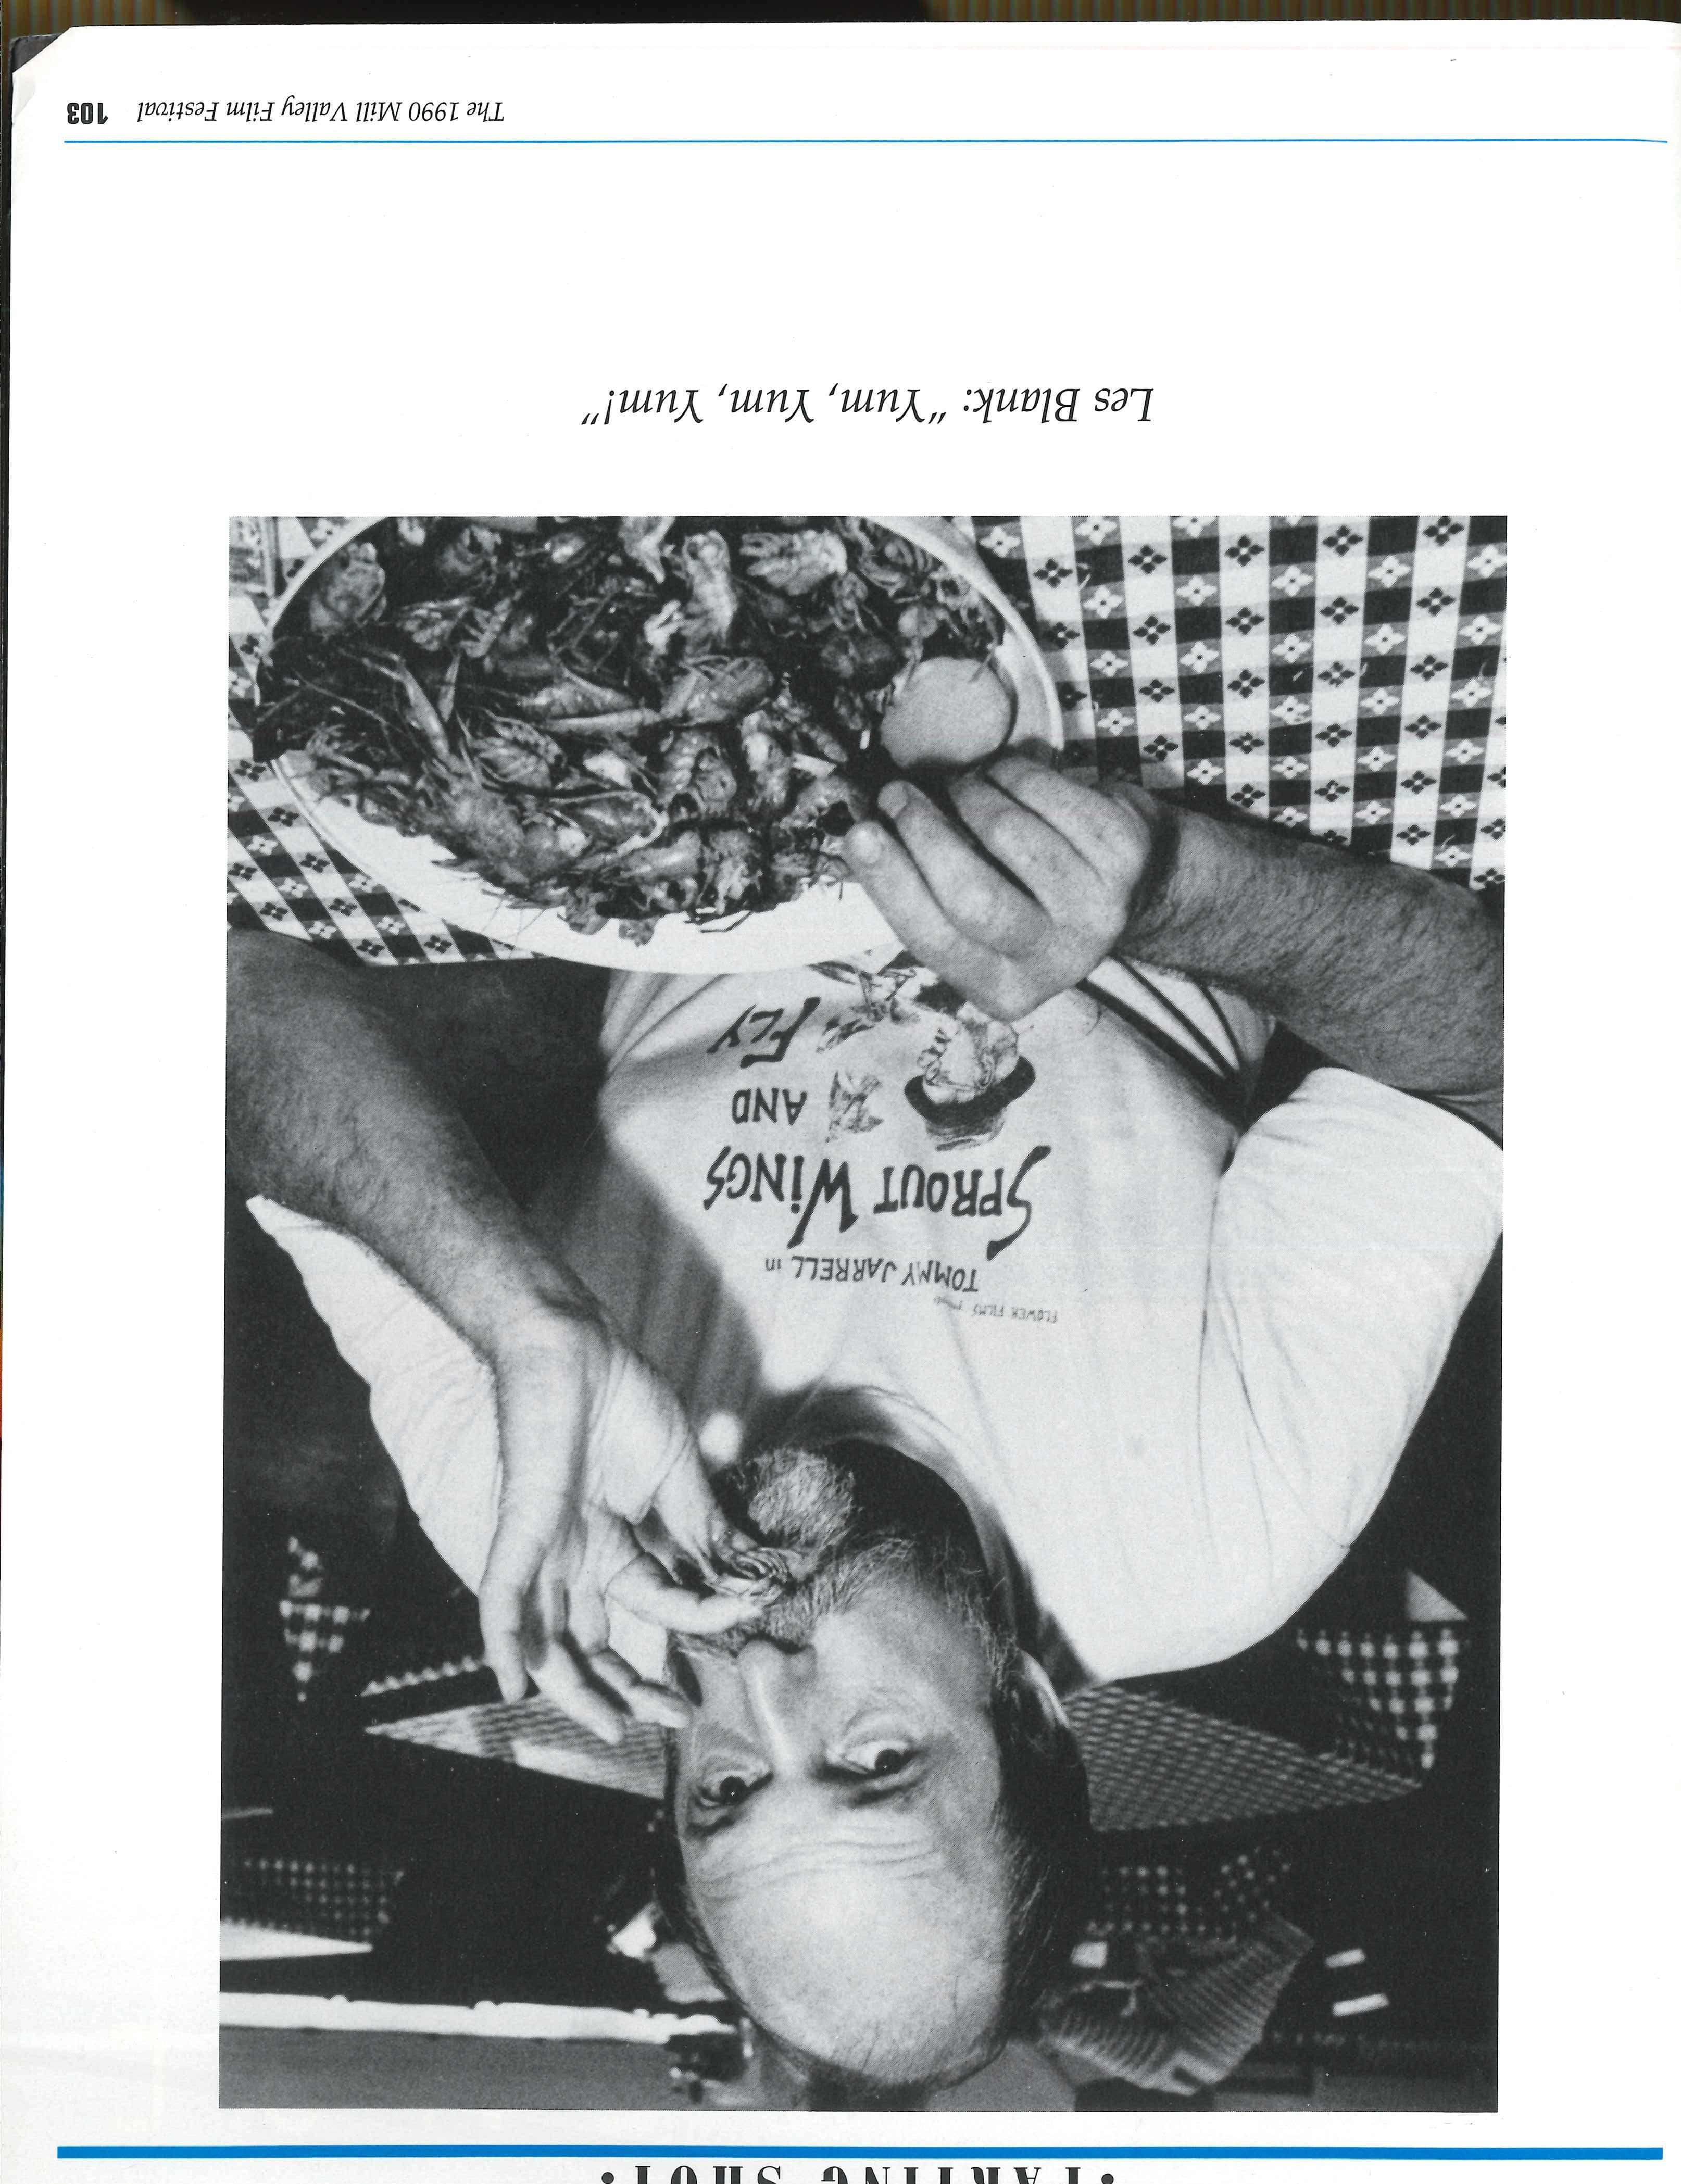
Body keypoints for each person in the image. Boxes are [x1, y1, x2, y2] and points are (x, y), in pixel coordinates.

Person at [227, 758, 1503, 2099]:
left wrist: (513, 1306)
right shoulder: (1213, 1540)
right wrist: (1164, 885)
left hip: (675, 801)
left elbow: (245, 1005)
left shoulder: (552, 1533)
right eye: (875, 1761)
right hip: (1114, 764)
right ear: (1031, 1717)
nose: (760, 1683)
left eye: (723, 1790)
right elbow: (1484, 1056)